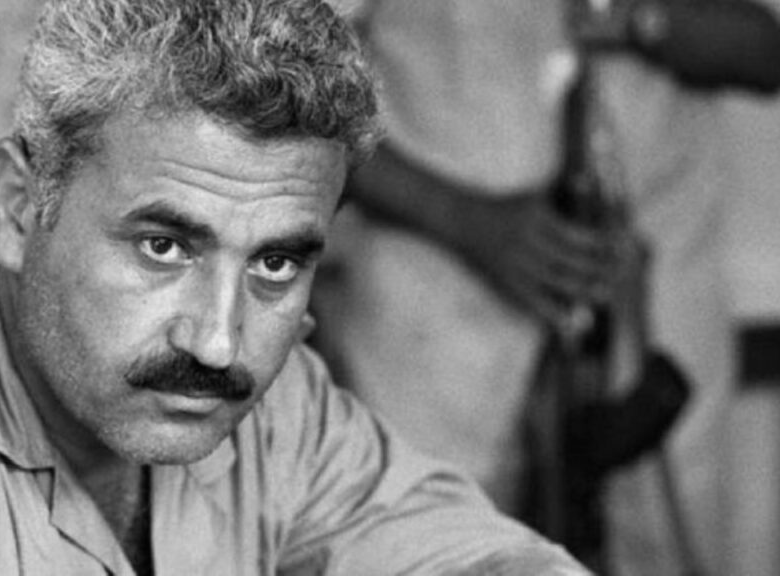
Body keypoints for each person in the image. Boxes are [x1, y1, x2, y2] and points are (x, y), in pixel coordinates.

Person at [0, 1, 591, 574]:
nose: (219, 341)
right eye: (162, 247)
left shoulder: (262, 398)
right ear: (17, 206)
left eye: (275, 263)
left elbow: (467, 552)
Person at [313, 0, 780, 574]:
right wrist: (467, 221)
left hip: (659, 298)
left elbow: (763, 50)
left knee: (669, 547)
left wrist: (640, 19)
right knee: (431, 549)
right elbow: (294, 100)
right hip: (435, 312)